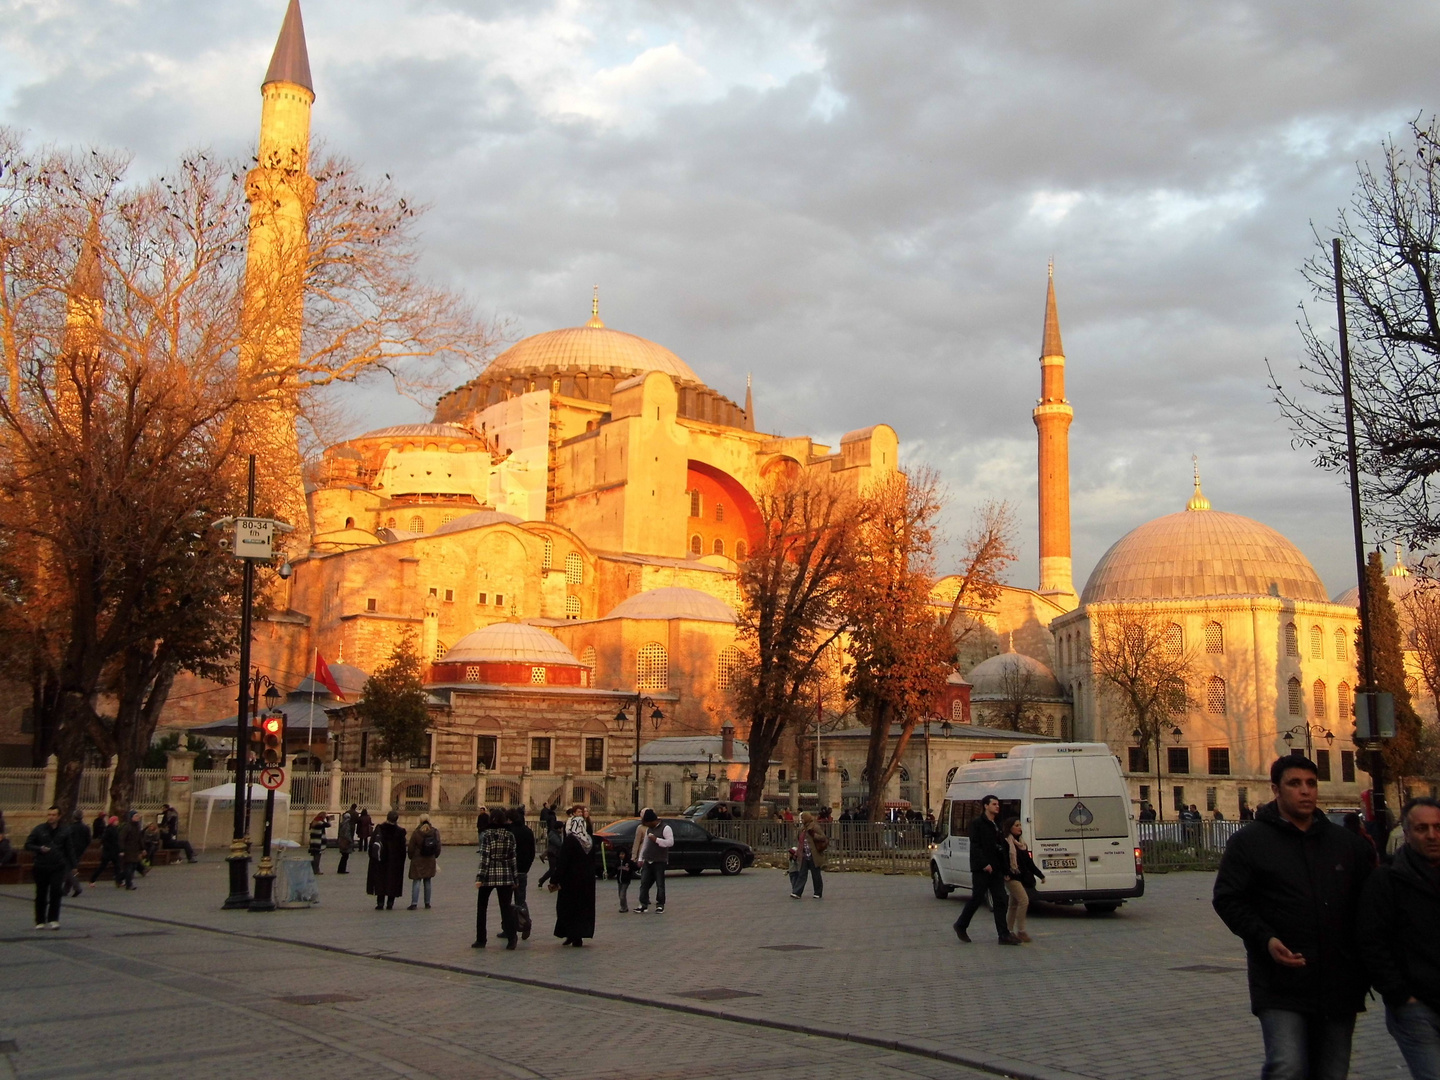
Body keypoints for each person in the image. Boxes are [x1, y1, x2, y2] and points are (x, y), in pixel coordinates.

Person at [1213, 756, 1372, 1080]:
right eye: (1294, 783)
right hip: (1279, 981)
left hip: (1338, 982)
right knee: (1287, 1066)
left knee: (1332, 1070)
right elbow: (1229, 899)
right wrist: (1265, 939)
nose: (1305, 791)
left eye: (1311, 783)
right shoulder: (1250, 842)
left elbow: (1370, 909)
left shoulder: (1346, 846)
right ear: (1275, 789)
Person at [1358, 796, 1440, 1080]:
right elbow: (1372, 942)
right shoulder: (1387, 881)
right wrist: (1401, 995)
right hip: (1416, 1007)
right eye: (1422, 828)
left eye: (1438, 827)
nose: (1432, 835)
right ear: (1406, 833)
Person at [953, 795, 1019, 945]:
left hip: (996, 869)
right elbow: (975, 846)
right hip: (982, 869)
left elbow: (1001, 848)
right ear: (985, 806)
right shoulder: (977, 824)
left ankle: (1003, 934)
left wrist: (1006, 870)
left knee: (1001, 900)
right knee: (977, 898)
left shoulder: (997, 824)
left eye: (998, 804)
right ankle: (961, 925)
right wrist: (984, 864)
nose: (997, 807)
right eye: (994, 804)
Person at [550, 808, 596, 946]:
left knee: (569, 908)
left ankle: (572, 934)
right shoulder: (589, 840)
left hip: (571, 881)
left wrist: (555, 879)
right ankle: (578, 935)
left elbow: (563, 862)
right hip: (587, 881)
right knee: (583, 908)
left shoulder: (570, 840)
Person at [473, 808, 517, 948]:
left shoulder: (487, 835)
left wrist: (480, 877)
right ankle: (511, 938)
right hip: (505, 873)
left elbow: (485, 857)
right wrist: (515, 878)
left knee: (482, 907)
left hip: (489, 874)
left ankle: (481, 939)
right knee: (506, 908)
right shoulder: (510, 835)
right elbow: (513, 858)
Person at [1001, 816, 1045, 943]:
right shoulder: (1005, 842)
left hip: (1020, 876)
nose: (1020, 828)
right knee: (1024, 900)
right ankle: (1021, 931)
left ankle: (1008, 930)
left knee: (1013, 904)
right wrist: (1006, 873)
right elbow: (1003, 859)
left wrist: (1040, 875)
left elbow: (1028, 862)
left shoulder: (1021, 843)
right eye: (1017, 825)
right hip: (1011, 877)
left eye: (1020, 825)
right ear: (1010, 828)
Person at [25, 806, 68, 929]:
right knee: (41, 893)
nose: (51, 817)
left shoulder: (64, 831)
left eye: (54, 815)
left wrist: (73, 865)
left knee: (56, 892)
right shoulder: (39, 829)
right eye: (49, 814)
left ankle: (53, 919)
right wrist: (39, 848)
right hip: (41, 866)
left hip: (57, 866)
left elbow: (69, 848)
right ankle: (40, 920)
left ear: (59, 816)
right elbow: (28, 844)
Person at [635, 807, 673, 914]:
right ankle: (643, 904)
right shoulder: (648, 829)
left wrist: (657, 840)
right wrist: (640, 858)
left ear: (652, 821)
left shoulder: (666, 828)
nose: (646, 825)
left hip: (660, 860)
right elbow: (645, 845)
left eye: (647, 822)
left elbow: (670, 842)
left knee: (660, 883)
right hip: (648, 860)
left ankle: (660, 904)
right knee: (644, 883)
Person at [366, 809, 407, 910]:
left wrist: (373, 857)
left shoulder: (380, 829)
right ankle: (390, 903)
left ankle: (380, 902)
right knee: (392, 881)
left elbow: (372, 845)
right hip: (395, 862)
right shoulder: (400, 832)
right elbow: (403, 850)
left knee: (380, 880)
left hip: (380, 861)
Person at [506, 807, 536, 939]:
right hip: (523, 869)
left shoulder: (509, 832)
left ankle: (508, 927)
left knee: (506, 900)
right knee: (521, 899)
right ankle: (525, 923)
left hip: (509, 869)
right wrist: (526, 866)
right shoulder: (528, 831)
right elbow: (532, 852)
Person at [407, 815, 441, 909]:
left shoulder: (416, 832)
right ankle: (427, 903)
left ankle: (414, 903)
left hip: (418, 859)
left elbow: (411, 847)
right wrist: (435, 855)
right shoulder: (434, 832)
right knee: (428, 880)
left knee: (417, 880)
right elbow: (438, 845)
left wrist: (411, 856)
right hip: (430, 858)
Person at [790, 811, 827, 899]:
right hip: (804, 855)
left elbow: (823, 837)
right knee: (802, 874)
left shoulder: (814, 826)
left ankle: (818, 892)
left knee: (816, 875)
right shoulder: (802, 828)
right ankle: (797, 892)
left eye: (803, 818)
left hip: (813, 855)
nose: (801, 820)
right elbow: (800, 842)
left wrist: (813, 835)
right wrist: (797, 853)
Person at [60, 810, 89, 897]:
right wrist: (82, 848)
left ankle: (77, 888)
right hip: (79, 852)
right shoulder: (86, 828)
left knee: (68, 869)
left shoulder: (71, 828)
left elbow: (66, 840)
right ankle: (65, 890)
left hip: (70, 851)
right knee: (72, 868)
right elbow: (88, 840)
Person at [90, 815, 122, 887]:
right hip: (108, 852)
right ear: (113, 822)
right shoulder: (109, 830)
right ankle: (92, 879)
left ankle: (118, 881)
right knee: (102, 867)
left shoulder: (115, 829)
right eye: (116, 821)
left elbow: (116, 842)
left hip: (114, 852)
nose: (117, 822)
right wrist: (109, 847)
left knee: (117, 867)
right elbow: (105, 840)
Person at [117, 810, 144, 890]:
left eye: (138, 816)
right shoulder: (127, 827)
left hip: (135, 850)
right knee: (129, 868)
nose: (138, 817)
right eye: (136, 816)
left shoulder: (137, 827)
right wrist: (121, 850)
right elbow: (121, 838)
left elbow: (139, 839)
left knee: (133, 867)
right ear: (131, 817)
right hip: (127, 850)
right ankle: (129, 884)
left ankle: (119, 878)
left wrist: (143, 848)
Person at [336, 804, 357, 874]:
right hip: (345, 842)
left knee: (343, 856)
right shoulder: (347, 825)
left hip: (342, 841)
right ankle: (342, 869)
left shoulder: (342, 823)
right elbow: (347, 834)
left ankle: (341, 869)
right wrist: (350, 841)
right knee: (345, 857)